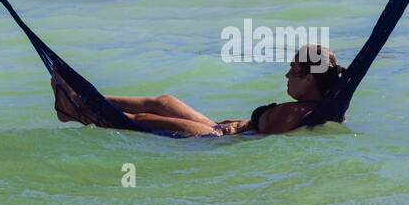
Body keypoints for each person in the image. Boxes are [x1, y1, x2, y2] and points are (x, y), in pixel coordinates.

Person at [52, 45, 346, 137]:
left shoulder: (299, 112)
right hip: (220, 127)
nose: (286, 74)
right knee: (164, 101)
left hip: (215, 141)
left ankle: (73, 111)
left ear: (309, 78)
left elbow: (258, 142)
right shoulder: (315, 108)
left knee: (140, 119)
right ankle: (81, 97)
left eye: (294, 70)